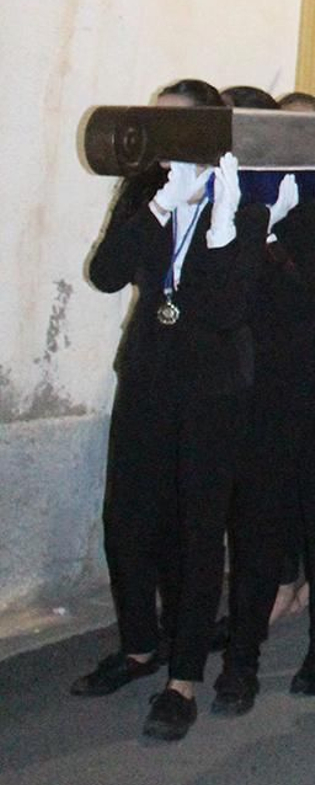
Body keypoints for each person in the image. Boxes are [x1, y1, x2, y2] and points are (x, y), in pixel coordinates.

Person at [72, 82, 267, 740]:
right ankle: (138, 644)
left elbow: (228, 307)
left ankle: (183, 677)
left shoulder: (241, 196)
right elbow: (105, 272)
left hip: (213, 381)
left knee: (197, 523)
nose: (160, 137)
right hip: (150, 369)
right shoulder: (147, 188)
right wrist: (158, 206)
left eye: (174, 125)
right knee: (127, 514)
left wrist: (215, 224)